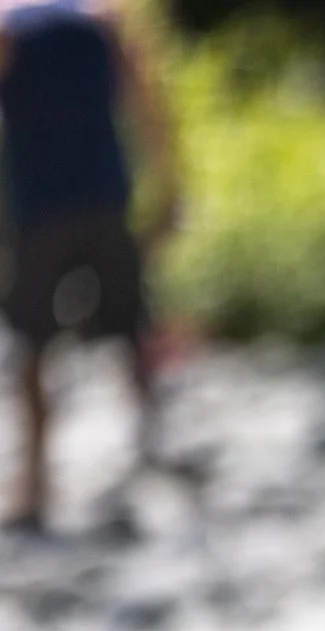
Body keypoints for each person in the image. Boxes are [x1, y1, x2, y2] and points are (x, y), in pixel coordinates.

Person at [0, 0, 178, 533]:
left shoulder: (8, 28)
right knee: (131, 328)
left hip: (41, 210)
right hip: (107, 197)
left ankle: (36, 484)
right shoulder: (106, 21)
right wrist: (171, 186)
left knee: (32, 344)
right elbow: (148, 104)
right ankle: (150, 451)